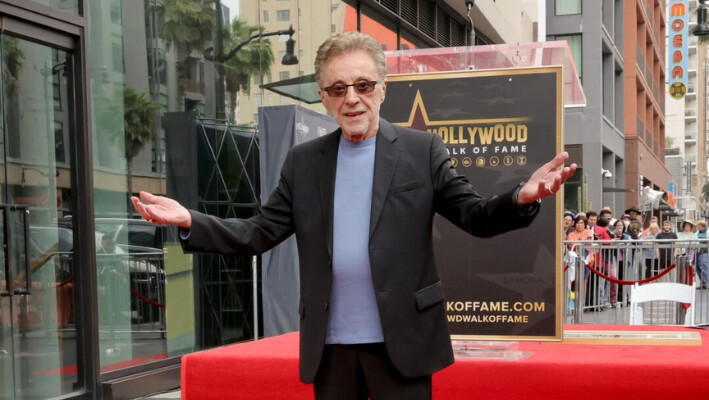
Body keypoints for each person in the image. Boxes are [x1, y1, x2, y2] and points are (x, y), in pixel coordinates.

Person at [131, 31, 576, 399]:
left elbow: (475, 215)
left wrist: (521, 197)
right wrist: (189, 219)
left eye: (364, 85)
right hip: (331, 346)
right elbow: (258, 232)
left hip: (401, 340)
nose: (353, 99)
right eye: (338, 88)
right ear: (324, 97)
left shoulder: (422, 152)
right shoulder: (303, 162)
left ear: (383, 88)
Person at [696, 220, 708, 289]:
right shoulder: (697, 232)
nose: (697, 227)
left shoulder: (707, 232)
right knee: (698, 268)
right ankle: (702, 282)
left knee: (704, 268)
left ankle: (705, 283)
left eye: (698, 225)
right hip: (697, 252)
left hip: (704, 252)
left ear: (702, 225)